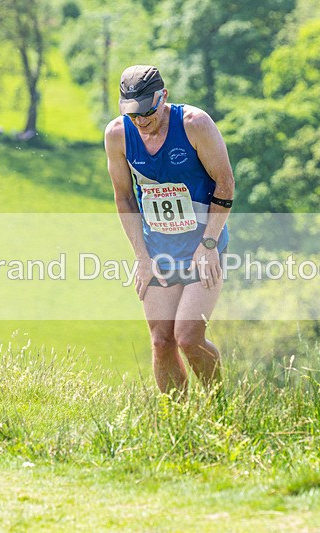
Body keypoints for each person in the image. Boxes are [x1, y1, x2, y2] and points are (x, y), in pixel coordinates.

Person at [104, 65, 235, 395]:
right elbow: (123, 196)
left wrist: (209, 244)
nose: (142, 121)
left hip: (202, 247)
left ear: (164, 97)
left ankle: (221, 411)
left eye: (148, 112)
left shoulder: (195, 125)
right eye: (134, 114)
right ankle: (178, 424)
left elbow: (226, 183)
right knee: (161, 341)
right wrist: (141, 256)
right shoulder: (117, 135)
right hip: (157, 249)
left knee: (188, 337)